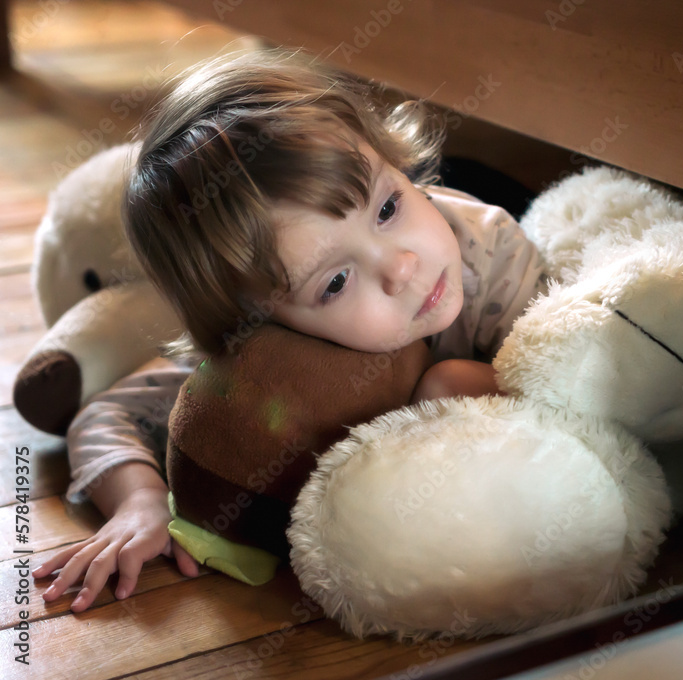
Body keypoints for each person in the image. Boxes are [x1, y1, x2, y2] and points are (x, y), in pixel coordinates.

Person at [33, 48, 547, 610]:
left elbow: (583, 385)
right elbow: (108, 414)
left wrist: (451, 388)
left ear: (394, 160)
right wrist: (141, 501)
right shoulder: (262, 349)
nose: (401, 267)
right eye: (335, 282)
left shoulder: (491, 257)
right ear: (256, 323)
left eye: (387, 208)